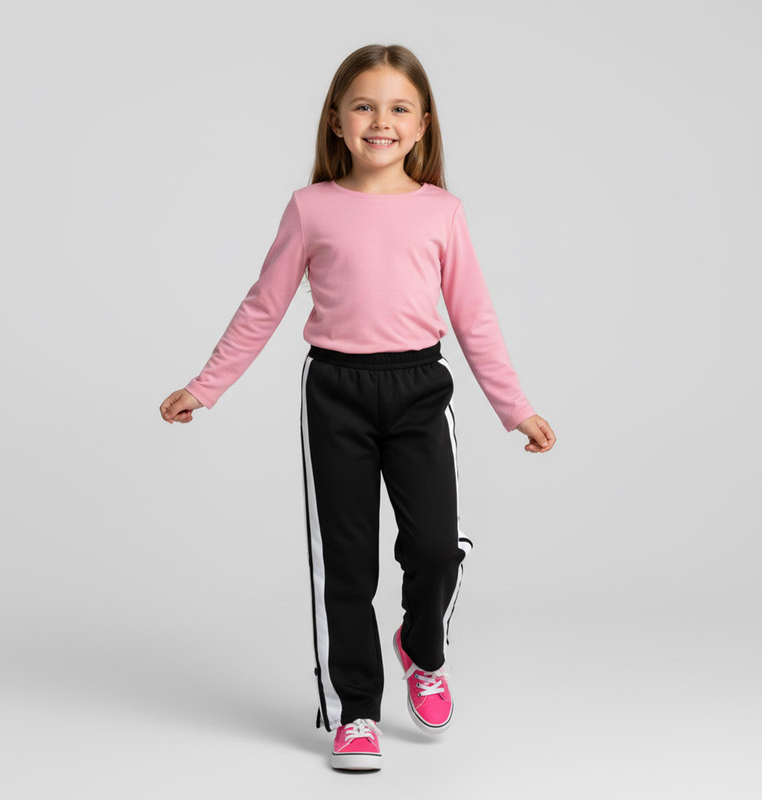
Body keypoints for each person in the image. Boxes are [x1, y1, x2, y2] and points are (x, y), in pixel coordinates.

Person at [159, 43, 556, 771]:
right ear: (337, 121)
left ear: (423, 125)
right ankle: (357, 712)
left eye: (399, 108)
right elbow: (263, 306)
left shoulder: (442, 212)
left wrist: (515, 407)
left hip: (419, 389)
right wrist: (206, 386)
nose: (381, 121)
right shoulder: (310, 208)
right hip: (336, 392)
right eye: (364, 106)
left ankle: (422, 650)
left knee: (434, 547)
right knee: (346, 563)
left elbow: (474, 317)